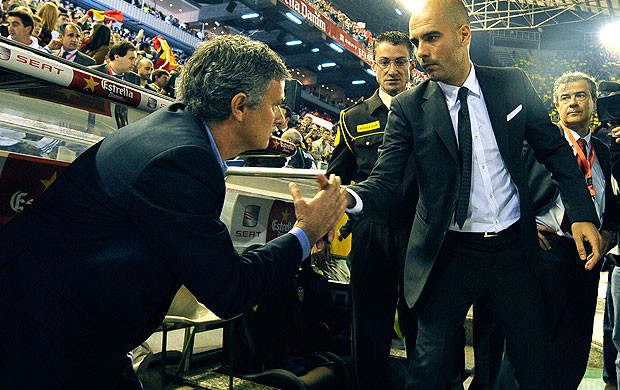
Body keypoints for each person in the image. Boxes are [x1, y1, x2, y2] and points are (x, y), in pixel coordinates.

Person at [0, 34, 347, 389]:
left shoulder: (178, 133)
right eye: (274, 105)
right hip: (41, 341)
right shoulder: (182, 161)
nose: (278, 118)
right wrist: (306, 231)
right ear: (240, 106)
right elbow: (230, 290)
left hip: (73, 330)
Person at [346, 0, 603, 387]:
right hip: (448, 253)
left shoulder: (511, 84)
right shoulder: (408, 108)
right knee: (428, 369)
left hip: (513, 252)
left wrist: (582, 213)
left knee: (532, 364)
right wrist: (349, 199)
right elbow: (384, 181)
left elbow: (553, 150)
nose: (422, 52)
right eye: (417, 42)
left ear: (464, 35)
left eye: (432, 38)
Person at [499, 71, 619, 388]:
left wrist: (607, 232)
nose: (573, 102)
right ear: (555, 106)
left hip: (586, 259)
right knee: (529, 343)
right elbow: (504, 188)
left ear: (594, 102)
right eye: (565, 97)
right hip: (544, 251)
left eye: (581, 95)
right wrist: (522, 227)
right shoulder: (535, 144)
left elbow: (612, 203)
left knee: (573, 345)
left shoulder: (605, 153)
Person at [326, 30, 418, 390]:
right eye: (384, 62)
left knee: (420, 326)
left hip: (418, 234)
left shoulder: (432, 111)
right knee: (368, 326)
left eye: (400, 62)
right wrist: (322, 229)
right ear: (373, 63)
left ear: (411, 65)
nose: (392, 70)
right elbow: (337, 178)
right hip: (370, 235)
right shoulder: (352, 119)